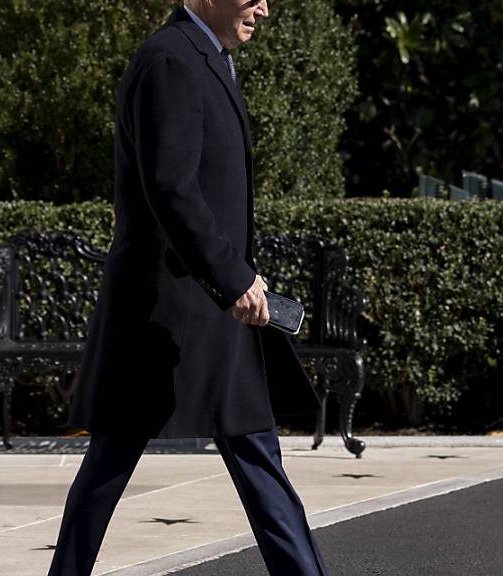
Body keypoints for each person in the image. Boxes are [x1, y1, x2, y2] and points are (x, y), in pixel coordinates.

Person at [46, 1, 330, 575]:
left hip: (209, 313)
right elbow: (171, 189)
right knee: (110, 464)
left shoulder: (207, 57)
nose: (265, 7)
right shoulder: (170, 60)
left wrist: (235, 280)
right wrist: (233, 279)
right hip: (165, 315)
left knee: (256, 454)